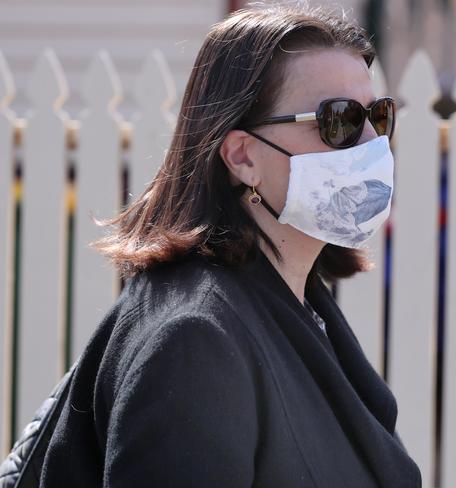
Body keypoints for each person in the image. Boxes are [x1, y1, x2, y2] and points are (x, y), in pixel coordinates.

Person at [39, 3, 422, 487]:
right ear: (242, 157)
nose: (371, 143)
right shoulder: (193, 341)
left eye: (377, 116)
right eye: (339, 120)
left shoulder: (298, 300)